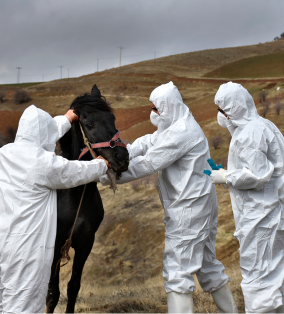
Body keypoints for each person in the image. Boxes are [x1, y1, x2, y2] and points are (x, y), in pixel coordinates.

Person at [100, 82, 238, 314]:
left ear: (168, 107)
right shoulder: (176, 125)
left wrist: (106, 175)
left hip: (189, 211)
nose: (152, 114)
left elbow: (150, 162)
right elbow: (149, 142)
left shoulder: (182, 133)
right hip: (198, 206)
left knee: (177, 271)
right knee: (207, 265)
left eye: (156, 109)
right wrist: (124, 151)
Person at [0, 105, 110, 314]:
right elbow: (74, 172)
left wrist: (67, 119)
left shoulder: (3, 154)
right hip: (26, 249)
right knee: (22, 308)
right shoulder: (45, 165)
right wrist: (102, 164)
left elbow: (41, 136)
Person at [209, 82, 284, 314]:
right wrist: (230, 175)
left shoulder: (249, 134)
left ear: (234, 109)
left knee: (258, 283)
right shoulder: (265, 126)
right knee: (281, 278)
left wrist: (226, 176)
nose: (220, 116)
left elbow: (257, 175)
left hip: (263, 220)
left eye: (223, 111)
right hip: (280, 215)